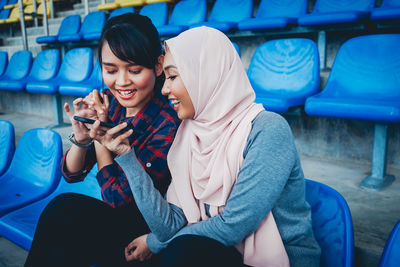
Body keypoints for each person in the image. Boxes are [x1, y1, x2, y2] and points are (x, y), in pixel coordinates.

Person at [93, 26, 321, 267]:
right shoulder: (188, 134)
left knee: (183, 252)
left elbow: (234, 226)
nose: (165, 89)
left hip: (279, 259)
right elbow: (168, 225)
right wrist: (127, 156)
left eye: (172, 77)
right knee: (69, 211)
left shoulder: (268, 129)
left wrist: (157, 243)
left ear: (205, 75)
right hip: (215, 251)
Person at [24, 13, 180, 267]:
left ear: (158, 65)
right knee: (60, 220)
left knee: (63, 213)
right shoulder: (109, 101)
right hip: (117, 218)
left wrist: (99, 140)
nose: (121, 82)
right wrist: (83, 137)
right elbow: (71, 174)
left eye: (134, 70)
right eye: (110, 70)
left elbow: (118, 198)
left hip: (148, 235)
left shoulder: (168, 123)